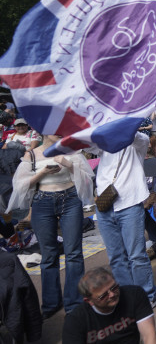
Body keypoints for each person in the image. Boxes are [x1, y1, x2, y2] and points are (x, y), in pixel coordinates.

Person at [7, 136, 94, 317]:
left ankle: (74, 303)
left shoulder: (72, 150)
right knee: (48, 255)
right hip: (42, 202)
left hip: (70, 200)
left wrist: (68, 164)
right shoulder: (31, 154)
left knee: (74, 253)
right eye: (56, 131)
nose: (61, 134)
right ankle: (51, 303)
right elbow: (19, 185)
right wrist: (42, 172)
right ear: (45, 132)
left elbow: (87, 179)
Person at [90, 132, 156, 306]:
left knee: (136, 256)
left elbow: (139, 138)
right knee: (116, 257)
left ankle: (146, 297)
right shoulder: (103, 142)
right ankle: (127, 297)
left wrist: (123, 125)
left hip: (130, 205)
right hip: (104, 206)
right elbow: (86, 143)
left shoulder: (137, 142)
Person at [62, 266, 156, 344]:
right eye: (103, 295)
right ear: (89, 301)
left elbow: (149, 335)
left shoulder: (134, 294)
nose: (112, 295)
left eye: (114, 287)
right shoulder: (75, 321)